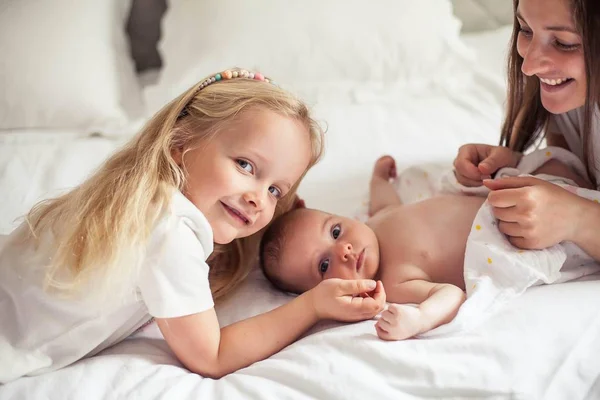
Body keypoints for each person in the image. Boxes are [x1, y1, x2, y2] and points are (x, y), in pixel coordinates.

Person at [0, 68, 386, 383]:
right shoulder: (170, 228)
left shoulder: (138, 200)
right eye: (245, 165)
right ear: (180, 144)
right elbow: (212, 356)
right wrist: (313, 304)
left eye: (274, 190)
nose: (257, 198)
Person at [259, 154, 591, 341]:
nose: (343, 250)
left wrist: (379, 179)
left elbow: (385, 202)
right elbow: (448, 295)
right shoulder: (392, 282)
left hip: (509, 197)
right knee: (580, 240)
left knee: (559, 164)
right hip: (518, 232)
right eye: (324, 266)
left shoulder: (374, 222)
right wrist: (419, 319)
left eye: (334, 231)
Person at [453, 0, 600, 261]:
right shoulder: (568, 97)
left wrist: (580, 220)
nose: (528, 66)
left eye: (564, 43)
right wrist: (522, 164)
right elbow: (578, 170)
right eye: (525, 30)